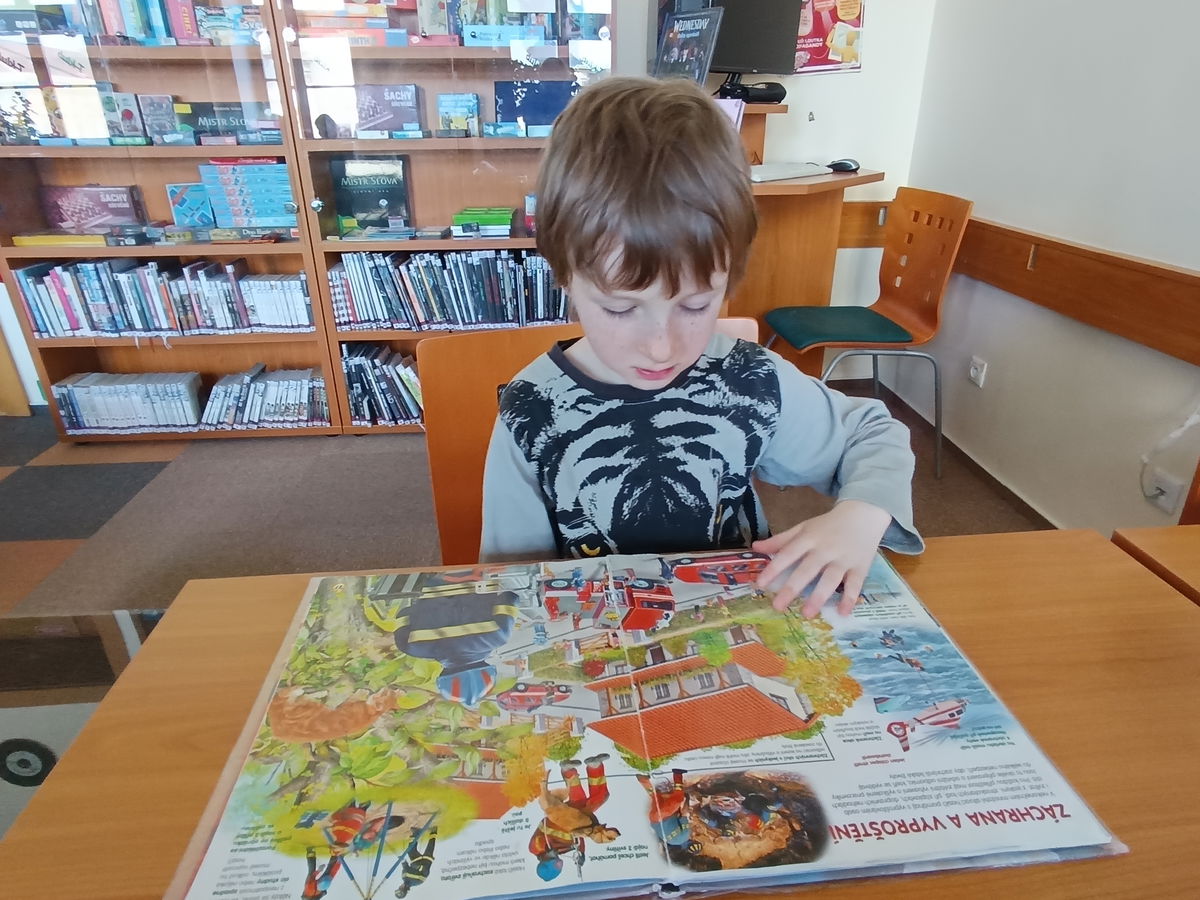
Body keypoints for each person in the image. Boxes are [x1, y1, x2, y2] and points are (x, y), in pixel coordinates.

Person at [479, 76, 921, 618]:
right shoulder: (530, 411)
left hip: (741, 627)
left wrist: (861, 514)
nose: (661, 348)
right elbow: (512, 586)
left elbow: (873, 433)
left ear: (730, 279)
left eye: (694, 305)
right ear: (563, 276)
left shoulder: (748, 379)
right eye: (620, 308)